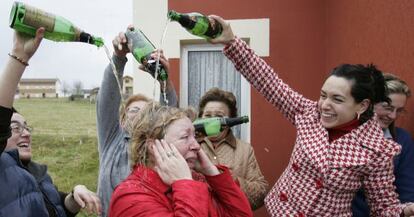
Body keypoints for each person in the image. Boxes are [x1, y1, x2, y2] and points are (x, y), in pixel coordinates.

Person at [208, 15, 414, 216]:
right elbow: (269, 82)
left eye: (337, 99)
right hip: (283, 211)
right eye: (323, 95)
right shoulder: (309, 114)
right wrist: (232, 41)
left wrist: (404, 211)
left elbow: (383, 207)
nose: (324, 105)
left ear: (362, 105)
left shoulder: (377, 150)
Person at [108, 102, 253, 217]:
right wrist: (185, 183)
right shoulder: (131, 197)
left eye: (195, 136)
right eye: (185, 137)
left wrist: (212, 172)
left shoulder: (195, 180)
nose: (197, 145)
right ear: (153, 147)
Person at [96, 26, 178, 216]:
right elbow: (107, 101)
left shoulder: (157, 146)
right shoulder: (111, 140)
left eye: (147, 111)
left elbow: (170, 115)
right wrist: (118, 58)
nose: (140, 114)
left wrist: (165, 82)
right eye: (134, 110)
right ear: (122, 118)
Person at [0, 27, 49, 217]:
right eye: (15, 128)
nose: (26, 133)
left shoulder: (40, 173)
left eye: (27, 127)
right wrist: (19, 55)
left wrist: (71, 199)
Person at [352, 73, 414, 216]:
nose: (393, 116)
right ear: (368, 104)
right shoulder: (344, 134)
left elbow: (407, 192)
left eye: (399, 110)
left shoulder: (401, 140)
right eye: (387, 107)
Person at [197, 87, 268, 210]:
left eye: (219, 117)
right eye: (207, 115)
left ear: (229, 121)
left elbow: (261, 194)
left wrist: (232, 180)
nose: (212, 121)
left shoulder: (245, 150)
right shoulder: (191, 146)